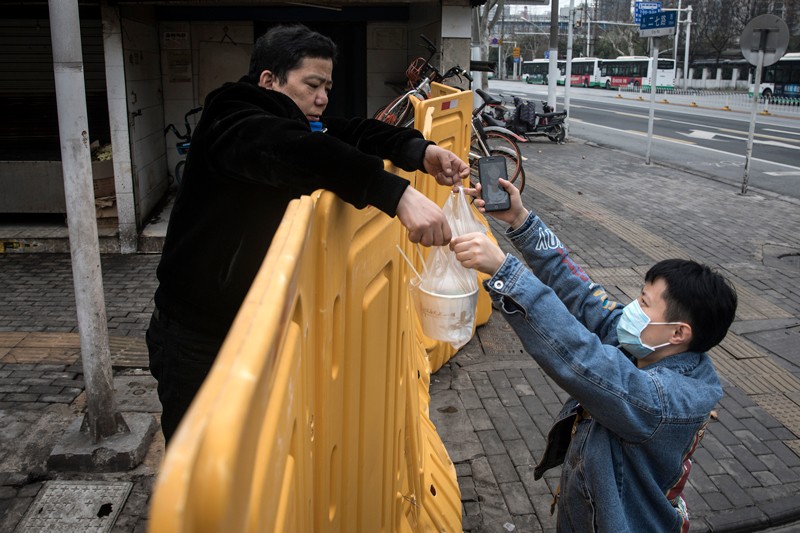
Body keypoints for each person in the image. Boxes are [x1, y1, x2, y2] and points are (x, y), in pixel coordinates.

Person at [147, 24, 469, 444]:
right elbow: (292, 150)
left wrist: (420, 151)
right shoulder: (232, 117)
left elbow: (353, 131)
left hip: (255, 325)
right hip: (197, 334)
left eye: (327, 87)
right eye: (312, 85)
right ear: (269, 80)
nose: (322, 98)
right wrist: (397, 196)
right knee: (199, 456)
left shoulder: (294, 119)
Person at [449, 179, 737, 532]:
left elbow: (583, 358)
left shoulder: (661, 401)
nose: (631, 308)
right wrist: (521, 220)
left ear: (678, 332)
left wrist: (507, 274)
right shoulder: (649, 344)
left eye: (644, 303)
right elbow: (583, 294)